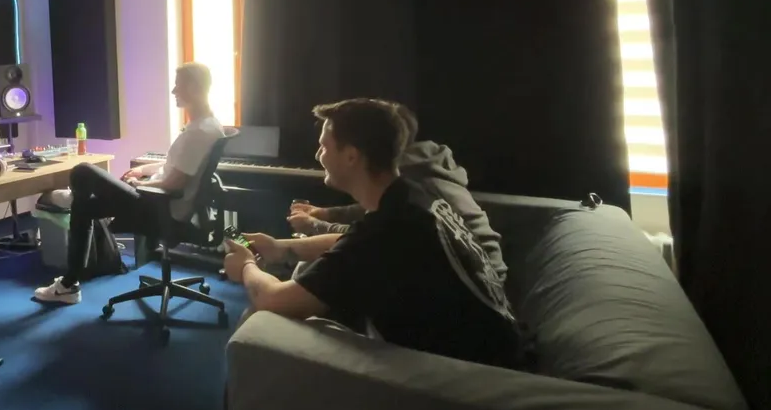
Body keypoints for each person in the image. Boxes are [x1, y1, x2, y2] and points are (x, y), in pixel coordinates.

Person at [222, 98, 522, 369]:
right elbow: (351, 240)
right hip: (499, 349)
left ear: (351, 156)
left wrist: (246, 266)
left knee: (259, 318)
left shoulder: (385, 232)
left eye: (324, 146)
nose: (317, 154)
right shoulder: (411, 198)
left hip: (471, 378)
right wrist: (281, 247)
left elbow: (274, 299)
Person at [33, 62, 225, 304]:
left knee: (83, 172)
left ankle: (74, 207)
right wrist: (143, 170)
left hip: (160, 206)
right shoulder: (207, 125)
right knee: (84, 207)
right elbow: (176, 167)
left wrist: (137, 185)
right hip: (159, 200)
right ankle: (69, 283)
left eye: (179, 86)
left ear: (195, 89)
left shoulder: (199, 132)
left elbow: (174, 183)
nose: (174, 91)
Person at [286, 104, 507, 282]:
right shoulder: (415, 174)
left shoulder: (412, 190)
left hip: (476, 283)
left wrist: (315, 226)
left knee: (316, 267)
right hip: (478, 285)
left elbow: (374, 234)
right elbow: (371, 219)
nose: (318, 155)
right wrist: (325, 214)